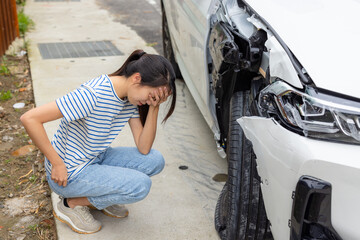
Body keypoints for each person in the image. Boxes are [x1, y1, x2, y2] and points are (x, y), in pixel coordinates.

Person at [20, 49, 176, 234]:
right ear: (136, 78)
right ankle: (70, 204)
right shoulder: (93, 94)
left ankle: (102, 196)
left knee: (154, 160)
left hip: (95, 158)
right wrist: (56, 163)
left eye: (156, 98)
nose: (151, 100)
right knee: (140, 186)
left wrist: (154, 107)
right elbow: (29, 118)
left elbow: (144, 148)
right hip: (70, 172)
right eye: (152, 95)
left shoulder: (130, 99)